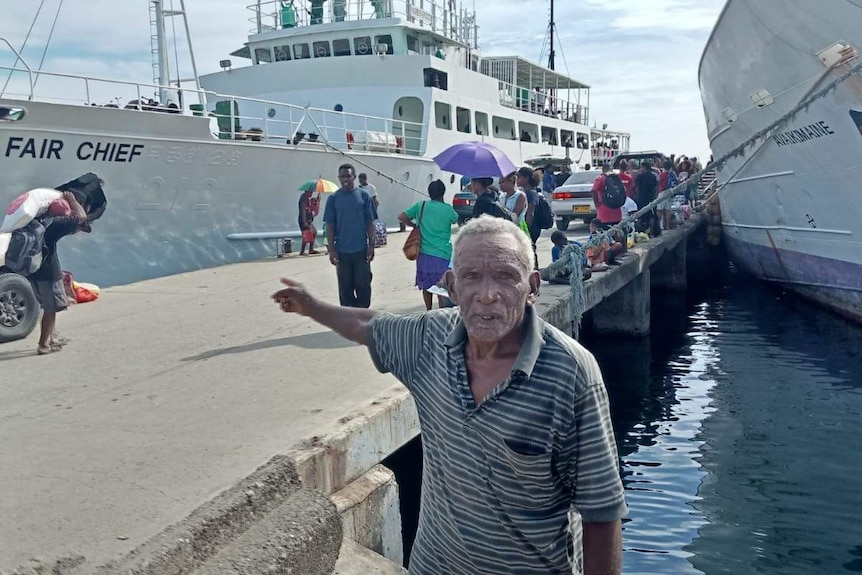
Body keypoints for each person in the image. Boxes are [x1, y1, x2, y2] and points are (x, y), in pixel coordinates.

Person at [272, 215, 626, 575]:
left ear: (532, 286)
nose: (488, 294)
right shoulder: (428, 341)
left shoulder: (572, 373)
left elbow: (602, 512)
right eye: (472, 277)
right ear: (452, 288)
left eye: (506, 276)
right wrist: (311, 306)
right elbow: (366, 325)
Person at [28, 191, 91, 355]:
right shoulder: (56, 225)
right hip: (49, 274)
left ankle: (52, 338)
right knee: (51, 309)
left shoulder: (37, 222)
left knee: (49, 306)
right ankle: (43, 345)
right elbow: (82, 217)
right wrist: (73, 200)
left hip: (34, 272)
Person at [398, 180, 458, 311]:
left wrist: (414, 226)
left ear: (429, 193)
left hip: (424, 253)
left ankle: (429, 310)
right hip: (443, 253)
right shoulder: (448, 209)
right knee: (442, 286)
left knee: (426, 285)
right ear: (443, 193)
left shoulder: (421, 206)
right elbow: (455, 219)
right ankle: (442, 311)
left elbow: (401, 217)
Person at [323, 164, 376, 308]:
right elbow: (330, 225)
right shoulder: (333, 198)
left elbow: (370, 222)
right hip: (342, 252)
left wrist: (371, 245)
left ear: (354, 177)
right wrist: (332, 250)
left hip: (361, 250)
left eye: (348, 176)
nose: (345, 179)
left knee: (363, 286)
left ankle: (363, 318)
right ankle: (350, 322)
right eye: (342, 176)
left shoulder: (364, 196)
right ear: (339, 178)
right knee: (345, 290)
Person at [591, 163, 622, 227]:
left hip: (604, 212)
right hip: (617, 211)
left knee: (605, 234)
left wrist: (596, 203)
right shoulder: (616, 178)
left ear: (603, 169)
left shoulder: (600, 178)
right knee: (616, 234)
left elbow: (593, 191)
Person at [297, 188, 319, 256]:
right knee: (306, 234)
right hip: (304, 219)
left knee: (314, 232)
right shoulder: (304, 197)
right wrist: (304, 221)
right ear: (307, 191)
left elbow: (311, 207)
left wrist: (317, 200)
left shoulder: (308, 198)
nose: (312, 193)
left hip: (308, 219)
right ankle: (302, 251)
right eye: (311, 191)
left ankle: (311, 249)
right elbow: (303, 210)